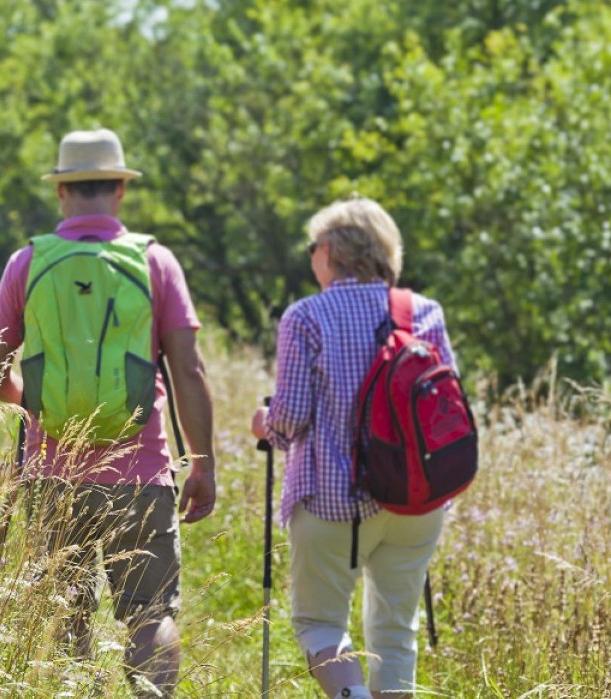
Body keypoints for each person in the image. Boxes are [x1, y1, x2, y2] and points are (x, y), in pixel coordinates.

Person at [0, 128, 217, 697]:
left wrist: (31, 403)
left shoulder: (28, 263)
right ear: (120, 191)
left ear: (62, 194)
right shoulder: (155, 262)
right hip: (142, 475)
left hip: (52, 474)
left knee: (66, 617)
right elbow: (188, 369)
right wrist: (203, 465)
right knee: (149, 615)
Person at [251, 197, 456, 699]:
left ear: (328, 252)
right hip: (416, 499)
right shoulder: (424, 312)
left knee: (321, 624)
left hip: (333, 501)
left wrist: (265, 425)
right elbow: (446, 410)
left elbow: (292, 418)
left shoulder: (306, 317)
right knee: (395, 628)